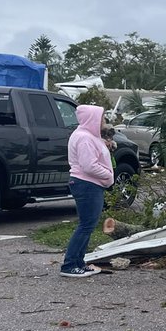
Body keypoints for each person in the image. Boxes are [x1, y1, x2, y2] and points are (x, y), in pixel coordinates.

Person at [60, 105, 114, 278]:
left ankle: (79, 262)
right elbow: (88, 165)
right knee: (86, 225)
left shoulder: (88, 136)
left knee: (88, 225)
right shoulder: (84, 137)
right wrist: (108, 175)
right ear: (92, 119)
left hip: (90, 184)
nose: (103, 122)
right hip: (87, 184)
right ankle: (69, 265)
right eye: (101, 118)